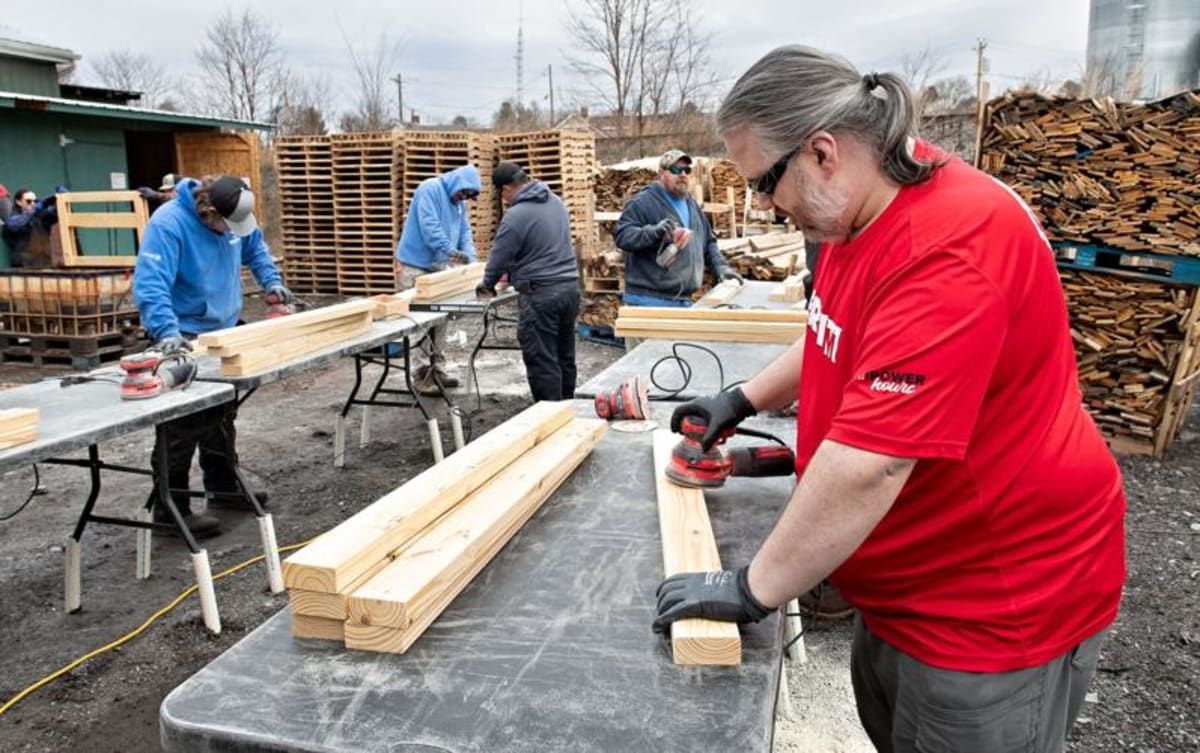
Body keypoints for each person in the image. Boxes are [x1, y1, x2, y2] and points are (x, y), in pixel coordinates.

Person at [653, 46, 1125, 753]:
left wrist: (754, 587)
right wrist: (741, 399)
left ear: (823, 151)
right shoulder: (858, 208)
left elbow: (871, 464)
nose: (761, 206)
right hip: (909, 586)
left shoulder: (953, 247)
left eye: (763, 183)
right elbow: (831, 334)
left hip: (992, 603)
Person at [133, 175, 292, 536]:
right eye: (225, 225)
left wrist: (272, 281)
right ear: (208, 213)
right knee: (181, 424)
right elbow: (150, 281)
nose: (231, 231)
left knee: (222, 411)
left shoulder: (234, 216)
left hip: (222, 327)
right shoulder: (169, 224)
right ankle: (169, 508)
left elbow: (255, 247)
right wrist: (166, 332)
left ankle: (222, 486)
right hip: (182, 332)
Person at [475, 162, 580, 401]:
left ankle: (548, 419)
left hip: (541, 294)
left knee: (542, 358)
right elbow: (541, 245)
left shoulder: (516, 215)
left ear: (506, 188)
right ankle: (567, 410)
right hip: (569, 288)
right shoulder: (555, 202)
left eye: (501, 194)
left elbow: (499, 255)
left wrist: (487, 284)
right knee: (564, 355)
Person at [394, 163, 482, 394]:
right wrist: (451, 252)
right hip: (416, 266)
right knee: (420, 321)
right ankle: (421, 374)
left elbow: (465, 232)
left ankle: (437, 369)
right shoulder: (429, 189)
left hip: (438, 266)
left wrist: (470, 259)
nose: (463, 198)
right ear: (458, 183)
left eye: (467, 196)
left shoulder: (459, 203)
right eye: (463, 192)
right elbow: (429, 227)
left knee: (442, 317)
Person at [614, 149, 742, 306]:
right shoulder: (643, 202)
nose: (682, 174)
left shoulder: (691, 204)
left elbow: (709, 242)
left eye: (686, 170)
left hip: (683, 300)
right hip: (649, 301)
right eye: (675, 169)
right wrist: (654, 232)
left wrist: (722, 269)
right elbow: (623, 236)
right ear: (661, 173)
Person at [2, 188, 57, 267]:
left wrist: (58, 203)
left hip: (45, 264)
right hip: (23, 266)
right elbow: (14, 224)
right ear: (18, 202)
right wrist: (35, 209)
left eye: (35, 201)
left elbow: (54, 217)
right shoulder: (12, 216)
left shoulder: (40, 216)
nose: (33, 203)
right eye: (28, 201)